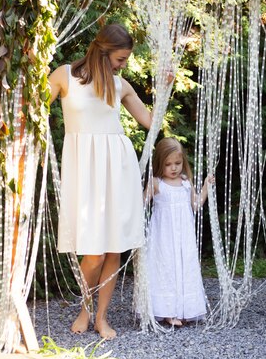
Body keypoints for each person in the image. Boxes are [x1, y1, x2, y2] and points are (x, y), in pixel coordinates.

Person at [48, 23, 153, 339]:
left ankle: (101, 317)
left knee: (113, 249)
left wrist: (164, 88)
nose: (123, 65)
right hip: (83, 170)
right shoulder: (64, 75)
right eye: (120, 59)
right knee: (93, 252)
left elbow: (149, 122)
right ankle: (85, 307)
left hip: (117, 169)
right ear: (103, 51)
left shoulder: (120, 85)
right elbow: (37, 109)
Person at [145, 137, 213, 326]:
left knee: (183, 269)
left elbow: (196, 205)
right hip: (163, 238)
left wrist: (206, 186)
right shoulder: (157, 183)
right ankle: (167, 310)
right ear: (160, 163)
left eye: (178, 163)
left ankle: (184, 308)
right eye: (168, 164)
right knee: (165, 270)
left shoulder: (186, 183)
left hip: (183, 238)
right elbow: (141, 205)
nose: (174, 168)